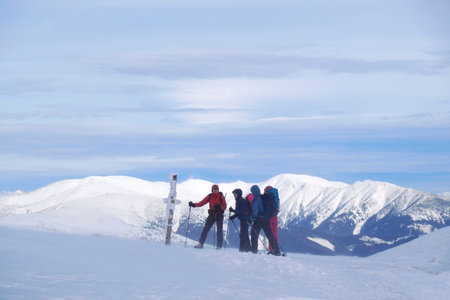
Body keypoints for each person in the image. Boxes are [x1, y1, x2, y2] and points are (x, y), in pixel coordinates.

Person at [189, 184, 227, 249]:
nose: (215, 190)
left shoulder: (221, 196)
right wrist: (194, 205)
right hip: (212, 214)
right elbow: (202, 203)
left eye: (216, 189)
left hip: (219, 215)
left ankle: (219, 247)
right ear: (212, 190)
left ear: (218, 190)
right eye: (214, 189)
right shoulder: (210, 196)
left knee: (219, 231)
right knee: (205, 229)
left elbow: (225, 206)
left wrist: (219, 207)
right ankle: (201, 244)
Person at [249, 185, 281, 255]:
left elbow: (255, 211)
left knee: (254, 233)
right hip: (267, 219)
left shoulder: (256, 198)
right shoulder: (263, 197)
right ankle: (276, 250)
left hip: (259, 219)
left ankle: (254, 249)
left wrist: (250, 219)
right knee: (269, 235)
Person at [264, 186, 280, 253]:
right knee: (275, 233)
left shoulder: (268, 196)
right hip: (275, 216)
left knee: (270, 234)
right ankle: (276, 248)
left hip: (269, 217)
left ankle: (272, 249)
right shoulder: (276, 196)